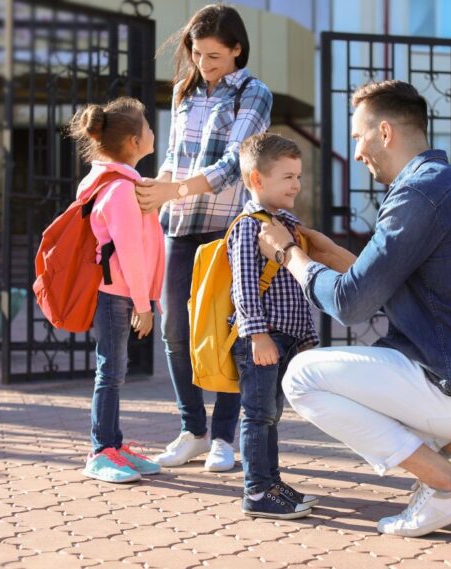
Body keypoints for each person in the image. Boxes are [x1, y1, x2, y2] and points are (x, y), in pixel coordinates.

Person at [258, 80, 451, 537]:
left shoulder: (418, 195)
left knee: (303, 377)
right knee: (385, 367)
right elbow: (387, 288)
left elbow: (352, 304)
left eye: (358, 138)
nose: (356, 153)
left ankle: (447, 485)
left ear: (385, 132)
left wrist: (288, 256)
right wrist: (330, 254)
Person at [135, 4, 273, 472]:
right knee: (176, 329)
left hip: (227, 225)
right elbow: (175, 154)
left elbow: (237, 162)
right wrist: (157, 194)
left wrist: (177, 188)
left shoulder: (254, 93)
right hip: (179, 224)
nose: (204, 64)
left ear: (237, 50)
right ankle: (192, 430)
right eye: (197, 54)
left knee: (226, 330)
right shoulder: (182, 92)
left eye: (214, 56)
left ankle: (223, 438)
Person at [69, 97, 165, 484]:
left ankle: (113, 444)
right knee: (110, 371)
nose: (153, 132)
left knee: (115, 370)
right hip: (116, 292)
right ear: (132, 140)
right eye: (148, 127)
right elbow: (129, 252)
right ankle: (100, 452)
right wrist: (143, 305)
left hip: (115, 290)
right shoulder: (120, 189)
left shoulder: (107, 180)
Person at [228, 133, 319, 519]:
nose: (296, 184)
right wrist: (258, 333)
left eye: (298, 175)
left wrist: (306, 338)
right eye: (286, 177)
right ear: (256, 180)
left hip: (282, 340)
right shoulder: (250, 227)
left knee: (271, 415)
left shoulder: (286, 225)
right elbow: (244, 285)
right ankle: (257, 490)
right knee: (257, 414)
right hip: (261, 339)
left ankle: (272, 482)